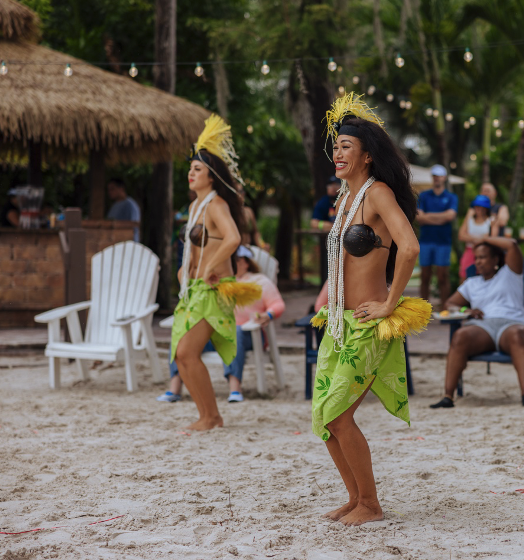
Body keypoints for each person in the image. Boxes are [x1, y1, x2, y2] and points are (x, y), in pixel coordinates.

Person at [310, 93, 428, 526]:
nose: (337, 153)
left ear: (367, 156)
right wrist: (325, 299)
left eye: (346, 146)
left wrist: (389, 303)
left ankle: (372, 505)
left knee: (339, 415)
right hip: (339, 323)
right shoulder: (344, 198)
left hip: (367, 324)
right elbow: (341, 262)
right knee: (325, 419)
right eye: (335, 146)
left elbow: (410, 246)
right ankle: (355, 498)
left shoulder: (377, 193)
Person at [171, 114, 261, 431]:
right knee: (181, 357)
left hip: (215, 289)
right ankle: (207, 415)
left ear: (211, 176)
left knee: (186, 351)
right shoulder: (196, 206)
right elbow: (195, 248)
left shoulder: (216, 204)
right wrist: (187, 270)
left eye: (197, 169)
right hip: (195, 290)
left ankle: (212, 417)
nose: (190, 173)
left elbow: (234, 238)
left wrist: (208, 266)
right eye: (190, 168)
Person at [159, 245, 285, 403]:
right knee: (181, 335)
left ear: (247, 262)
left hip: (248, 333)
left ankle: (235, 388)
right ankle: (174, 388)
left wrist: (268, 314)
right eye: (229, 261)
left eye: (236, 260)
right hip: (214, 333)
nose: (232, 265)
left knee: (235, 332)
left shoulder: (260, 282)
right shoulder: (215, 282)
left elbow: (278, 304)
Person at [430, 237, 524, 409]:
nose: (478, 262)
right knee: (460, 336)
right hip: (484, 327)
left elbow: (512, 245)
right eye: (476, 258)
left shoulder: (510, 273)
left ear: (495, 259)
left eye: (483, 257)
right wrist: (466, 311)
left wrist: (483, 238)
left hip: (513, 323)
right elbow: (449, 305)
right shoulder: (471, 284)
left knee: (516, 335)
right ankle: (447, 396)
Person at [416, 165, 458, 307]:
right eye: (434, 176)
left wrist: (428, 216)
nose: (437, 178)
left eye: (439, 176)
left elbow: (451, 216)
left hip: (443, 242)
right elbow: (419, 218)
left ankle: (444, 306)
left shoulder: (451, 197)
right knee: (425, 276)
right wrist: (441, 217)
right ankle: (424, 308)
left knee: (442, 276)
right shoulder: (423, 195)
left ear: (444, 178)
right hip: (426, 241)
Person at [458, 195, 497, 280]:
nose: (478, 209)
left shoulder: (491, 220)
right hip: (469, 251)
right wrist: (481, 238)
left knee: (484, 277)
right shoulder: (470, 219)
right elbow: (461, 236)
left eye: (480, 207)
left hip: (484, 253)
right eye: (476, 207)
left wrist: (470, 237)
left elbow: (493, 238)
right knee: (464, 276)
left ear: (486, 208)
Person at [106, 178, 142, 242]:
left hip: (127, 244)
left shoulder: (130, 205)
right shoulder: (114, 206)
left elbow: (133, 227)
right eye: (109, 190)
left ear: (121, 188)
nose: (110, 192)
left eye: (112, 189)